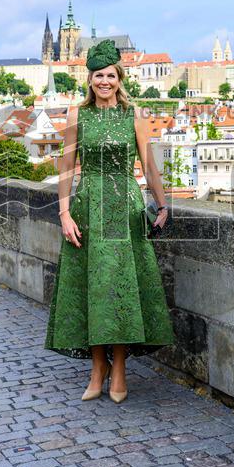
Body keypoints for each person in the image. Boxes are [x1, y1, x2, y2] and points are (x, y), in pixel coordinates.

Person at [44, 40, 174, 403]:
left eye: (111, 76)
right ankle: (97, 369)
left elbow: (148, 166)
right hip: (88, 209)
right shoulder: (76, 116)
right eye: (99, 75)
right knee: (93, 288)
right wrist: (65, 213)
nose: (105, 81)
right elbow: (67, 167)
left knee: (121, 290)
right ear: (89, 80)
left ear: (120, 78)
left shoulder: (133, 115)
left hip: (125, 209)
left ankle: (119, 369)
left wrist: (162, 205)